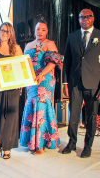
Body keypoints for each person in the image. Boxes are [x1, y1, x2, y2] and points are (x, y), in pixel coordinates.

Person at [20, 20, 62, 155]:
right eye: (38, 29)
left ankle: (41, 144)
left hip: (45, 80)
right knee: (31, 105)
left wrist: (41, 75)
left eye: (43, 29)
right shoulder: (28, 45)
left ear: (47, 31)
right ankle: (31, 142)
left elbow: (53, 63)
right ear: (34, 30)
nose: (40, 32)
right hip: (31, 80)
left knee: (42, 108)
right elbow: (24, 64)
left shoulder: (50, 44)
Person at [62, 9, 100, 158]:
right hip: (75, 82)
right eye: (81, 17)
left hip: (94, 83)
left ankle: (87, 146)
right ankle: (71, 143)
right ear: (78, 19)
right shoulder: (72, 36)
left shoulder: (99, 35)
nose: (85, 19)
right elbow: (67, 61)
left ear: (93, 18)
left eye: (88, 16)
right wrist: (65, 82)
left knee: (91, 116)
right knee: (73, 115)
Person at [0, 22, 23, 160]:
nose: (4, 33)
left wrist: (21, 83)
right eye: (2, 30)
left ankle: (7, 146)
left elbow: (21, 68)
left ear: (11, 34)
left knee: (10, 117)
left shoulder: (16, 49)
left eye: (7, 31)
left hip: (12, 87)